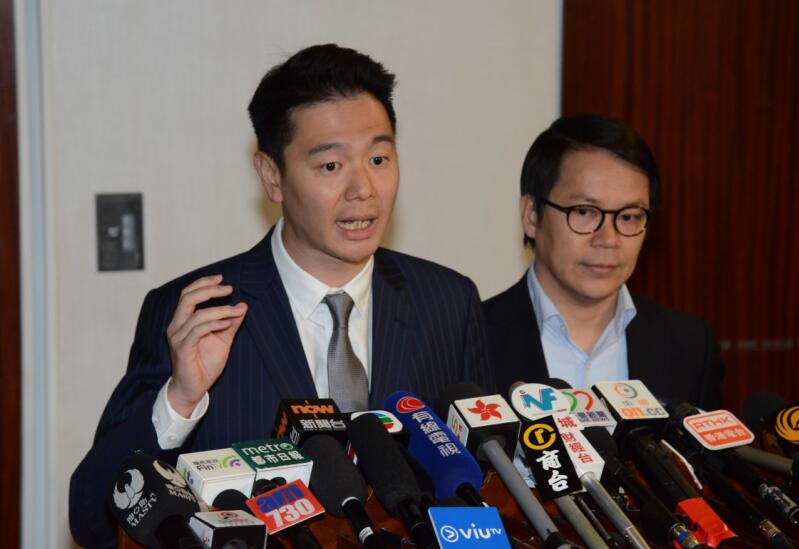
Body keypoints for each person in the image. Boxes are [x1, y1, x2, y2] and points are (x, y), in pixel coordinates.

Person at [70, 44, 494, 547]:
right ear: (273, 177)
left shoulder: (448, 303)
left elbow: (491, 490)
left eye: (379, 159)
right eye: (331, 166)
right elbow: (92, 518)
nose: (363, 189)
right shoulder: (198, 311)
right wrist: (179, 402)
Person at [484, 114, 723, 408]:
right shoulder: (472, 339)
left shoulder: (689, 346)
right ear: (532, 215)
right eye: (584, 211)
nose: (608, 239)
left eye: (629, 217)